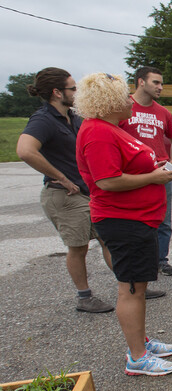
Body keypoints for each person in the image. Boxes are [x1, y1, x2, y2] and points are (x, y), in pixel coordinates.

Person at [75, 72, 172, 376]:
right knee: (131, 288)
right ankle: (137, 358)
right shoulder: (98, 132)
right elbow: (107, 181)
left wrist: (153, 165)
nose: (129, 101)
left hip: (137, 219)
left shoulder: (110, 129)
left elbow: (125, 166)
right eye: (123, 96)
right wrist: (154, 177)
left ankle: (141, 342)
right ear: (108, 102)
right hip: (124, 221)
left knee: (137, 285)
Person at [16, 67, 114, 313]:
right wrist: (60, 177)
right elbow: (25, 150)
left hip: (85, 192)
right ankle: (84, 297)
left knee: (107, 238)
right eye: (73, 88)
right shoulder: (43, 119)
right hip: (65, 195)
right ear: (57, 92)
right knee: (78, 246)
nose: (77, 91)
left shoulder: (74, 117)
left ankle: (131, 286)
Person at [119, 66, 172, 276]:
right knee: (135, 221)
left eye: (161, 83)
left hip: (161, 174)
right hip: (134, 176)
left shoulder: (163, 112)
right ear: (140, 82)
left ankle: (160, 260)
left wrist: (171, 164)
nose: (160, 87)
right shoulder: (123, 107)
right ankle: (139, 263)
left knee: (163, 220)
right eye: (156, 82)